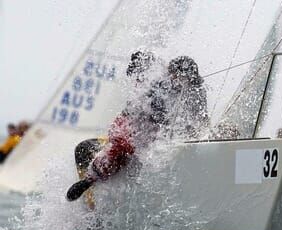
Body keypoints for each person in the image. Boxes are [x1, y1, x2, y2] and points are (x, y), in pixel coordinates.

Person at [66, 53, 208, 202]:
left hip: (150, 134)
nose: (177, 81)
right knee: (122, 148)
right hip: (131, 125)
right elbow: (147, 63)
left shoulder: (195, 91)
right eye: (175, 75)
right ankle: (89, 181)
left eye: (184, 79)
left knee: (134, 151)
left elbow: (200, 120)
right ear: (172, 73)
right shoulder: (160, 84)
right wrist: (140, 59)